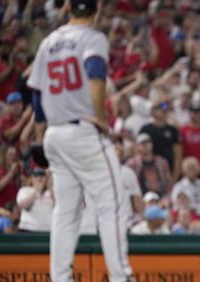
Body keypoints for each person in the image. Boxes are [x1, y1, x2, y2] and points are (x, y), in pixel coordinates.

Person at [26, 0, 132, 280]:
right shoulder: (92, 37)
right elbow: (95, 75)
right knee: (114, 204)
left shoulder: (48, 42)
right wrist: (100, 116)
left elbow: (36, 96)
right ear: (96, 8)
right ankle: (121, 276)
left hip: (54, 134)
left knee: (65, 212)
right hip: (83, 132)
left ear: (69, 7)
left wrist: (39, 139)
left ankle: (60, 277)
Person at [16, 167, 53, 232]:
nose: (39, 178)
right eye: (36, 175)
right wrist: (37, 190)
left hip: (49, 230)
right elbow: (25, 206)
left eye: (42, 175)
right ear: (32, 178)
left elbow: (58, 206)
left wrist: (50, 185)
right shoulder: (24, 190)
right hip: (28, 229)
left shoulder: (51, 192)